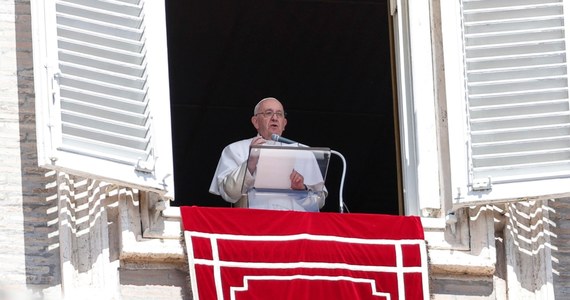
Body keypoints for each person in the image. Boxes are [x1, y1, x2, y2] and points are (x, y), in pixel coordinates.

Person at [209, 97, 327, 211]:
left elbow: (320, 202)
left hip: (294, 226)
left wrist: (302, 189)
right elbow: (229, 193)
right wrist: (249, 165)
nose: (275, 118)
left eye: (279, 114)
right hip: (254, 225)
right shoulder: (235, 149)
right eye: (268, 113)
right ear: (255, 122)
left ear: (284, 123)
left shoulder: (304, 152)